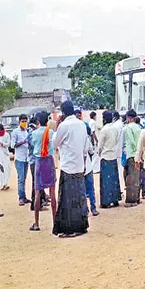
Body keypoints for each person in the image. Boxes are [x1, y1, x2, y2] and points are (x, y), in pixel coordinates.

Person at [52, 101, 90, 237]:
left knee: (68, 199)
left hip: (68, 166)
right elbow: (86, 147)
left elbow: (55, 144)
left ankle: (70, 228)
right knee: (79, 197)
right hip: (79, 165)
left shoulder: (64, 126)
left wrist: (57, 127)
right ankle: (81, 226)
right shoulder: (81, 124)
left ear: (62, 112)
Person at [29, 112, 58, 231]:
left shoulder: (34, 133)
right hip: (49, 161)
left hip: (39, 162)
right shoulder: (51, 133)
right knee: (52, 192)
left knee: (37, 193)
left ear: (38, 122)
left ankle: (36, 223)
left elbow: (32, 144)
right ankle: (55, 222)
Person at [98, 111, 122, 208]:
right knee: (114, 179)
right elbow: (116, 140)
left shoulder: (104, 130)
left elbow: (100, 145)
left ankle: (106, 201)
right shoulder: (115, 129)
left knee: (105, 181)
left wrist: (99, 153)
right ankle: (115, 199)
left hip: (105, 156)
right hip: (113, 155)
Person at [11, 114, 31, 206]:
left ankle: (24, 196)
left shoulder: (27, 132)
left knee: (24, 178)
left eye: (25, 121)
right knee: (21, 178)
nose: (24, 123)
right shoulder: (15, 132)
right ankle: (21, 198)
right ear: (19, 122)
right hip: (19, 158)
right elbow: (12, 145)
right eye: (22, 121)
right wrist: (23, 142)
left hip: (26, 158)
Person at [123, 109, 142, 206]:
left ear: (129, 118)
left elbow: (131, 142)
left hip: (131, 154)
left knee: (130, 178)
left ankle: (131, 200)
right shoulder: (138, 127)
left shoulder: (127, 128)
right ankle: (137, 197)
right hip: (139, 154)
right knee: (137, 177)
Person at [112, 111, 125, 195]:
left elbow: (114, 139)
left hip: (116, 151)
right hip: (120, 150)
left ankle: (119, 189)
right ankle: (120, 188)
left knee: (118, 171)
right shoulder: (121, 124)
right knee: (120, 170)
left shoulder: (115, 126)